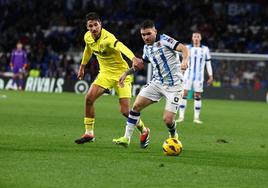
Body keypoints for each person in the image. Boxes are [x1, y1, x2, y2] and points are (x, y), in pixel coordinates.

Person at [112, 20, 189, 148]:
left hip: (174, 86)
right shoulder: (146, 48)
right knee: (136, 106)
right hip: (156, 83)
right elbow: (142, 63)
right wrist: (126, 73)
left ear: (155, 32)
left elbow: (184, 48)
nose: (146, 37)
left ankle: (173, 134)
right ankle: (126, 138)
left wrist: (185, 60)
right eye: (143, 35)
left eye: (148, 34)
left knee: (168, 120)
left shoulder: (165, 40)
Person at [74, 12, 148, 145]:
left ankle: (144, 129)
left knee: (125, 111)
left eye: (96, 25)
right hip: (105, 74)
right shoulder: (87, 37)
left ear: (100, 24)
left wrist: (133, 58)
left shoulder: (108, 38)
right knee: (89, 98)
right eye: (90, 26)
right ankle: (89, 133)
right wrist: (82, 67)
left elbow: (120, 46)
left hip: (121, 74)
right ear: (87, 27)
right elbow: (88, 50)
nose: (94, 28)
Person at [176, 31, 213, 124]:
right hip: (187, 75)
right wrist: (180, 73)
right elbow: (183, 62)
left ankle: (196, 117)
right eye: (194, 36)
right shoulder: (187, 48)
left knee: (197, 95)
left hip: (199, 77)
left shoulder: (205, 49)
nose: (196, 38)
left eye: (197, 36)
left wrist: (210, 76)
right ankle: (181, 117)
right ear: (192, 38)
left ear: (200, 38)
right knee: (184, 94)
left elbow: (208, 63)